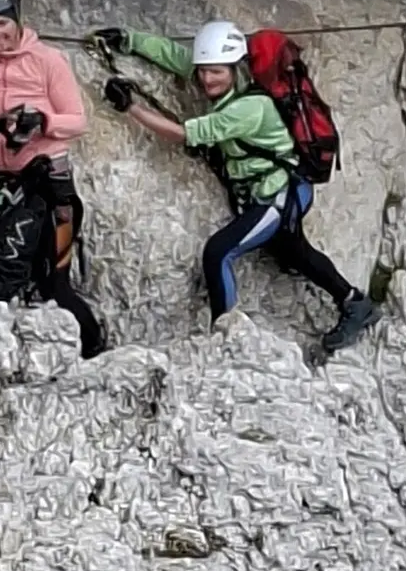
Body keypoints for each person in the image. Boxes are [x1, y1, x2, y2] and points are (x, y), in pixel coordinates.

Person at [96, 19, 379, 351]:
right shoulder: (229, 78)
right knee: (296, 252)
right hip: (280, 190)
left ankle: (224, 339)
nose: (206, 78)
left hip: (279, 196)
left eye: (215, 72)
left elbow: (184, 134)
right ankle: (355, 302)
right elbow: (173, 54)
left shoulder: (249, 108)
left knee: (218, 253)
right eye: (203, 71)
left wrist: (131, 108)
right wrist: (129, 38)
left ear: (233, 68)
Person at [0, 0, 105, 356]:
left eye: (1, 23)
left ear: (17, 18)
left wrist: (43, 122)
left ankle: (96, 351)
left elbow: (77, 120)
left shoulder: (48, 61)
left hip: (49, 185)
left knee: (54, 285)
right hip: (0, 185)